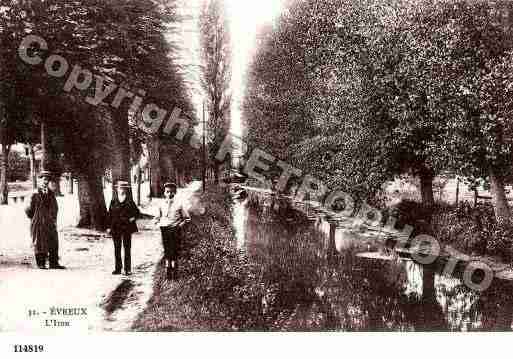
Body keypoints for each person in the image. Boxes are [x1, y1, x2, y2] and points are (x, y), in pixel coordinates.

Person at [25, 170, 65, 270]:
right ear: (40, 180)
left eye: (47, 180)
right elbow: (28, 209)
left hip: (50, 221)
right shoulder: (34, 194)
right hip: (38, 221)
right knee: (39, 242)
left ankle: (53, 263)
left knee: (53, 240)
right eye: (44, 179)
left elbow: (55, 207)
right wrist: (35, 218)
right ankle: (41, 263)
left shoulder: (51, 193)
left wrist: (53, 218)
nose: (45, 181)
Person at [154, 182, 191, 280]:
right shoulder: (161, 204)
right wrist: (157, 222)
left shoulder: (179, 204)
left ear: (175, 193)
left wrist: (179, 226)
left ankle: (175, 273)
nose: (169, 194)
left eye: (171, 192)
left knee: (174, 251)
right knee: (167, 251)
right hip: (165, 230)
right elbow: (158, 216)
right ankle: (168, 272)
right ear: (164, 193)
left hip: (175, 230)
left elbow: (187, 218)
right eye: (167, 192)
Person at [107, 181, 140, 276]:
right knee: (117, 248)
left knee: (127, 248)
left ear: (126, 189)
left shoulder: (130, 201)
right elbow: (110, 215)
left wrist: (132, 219)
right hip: (116, 227)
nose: (121, 189)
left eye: (124, 188)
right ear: (117, 189)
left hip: (126, 227)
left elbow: (137, 213)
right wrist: (109, 227)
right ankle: (118, 268)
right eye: (120, 188)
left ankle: (127, 269)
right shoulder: (113, 201)